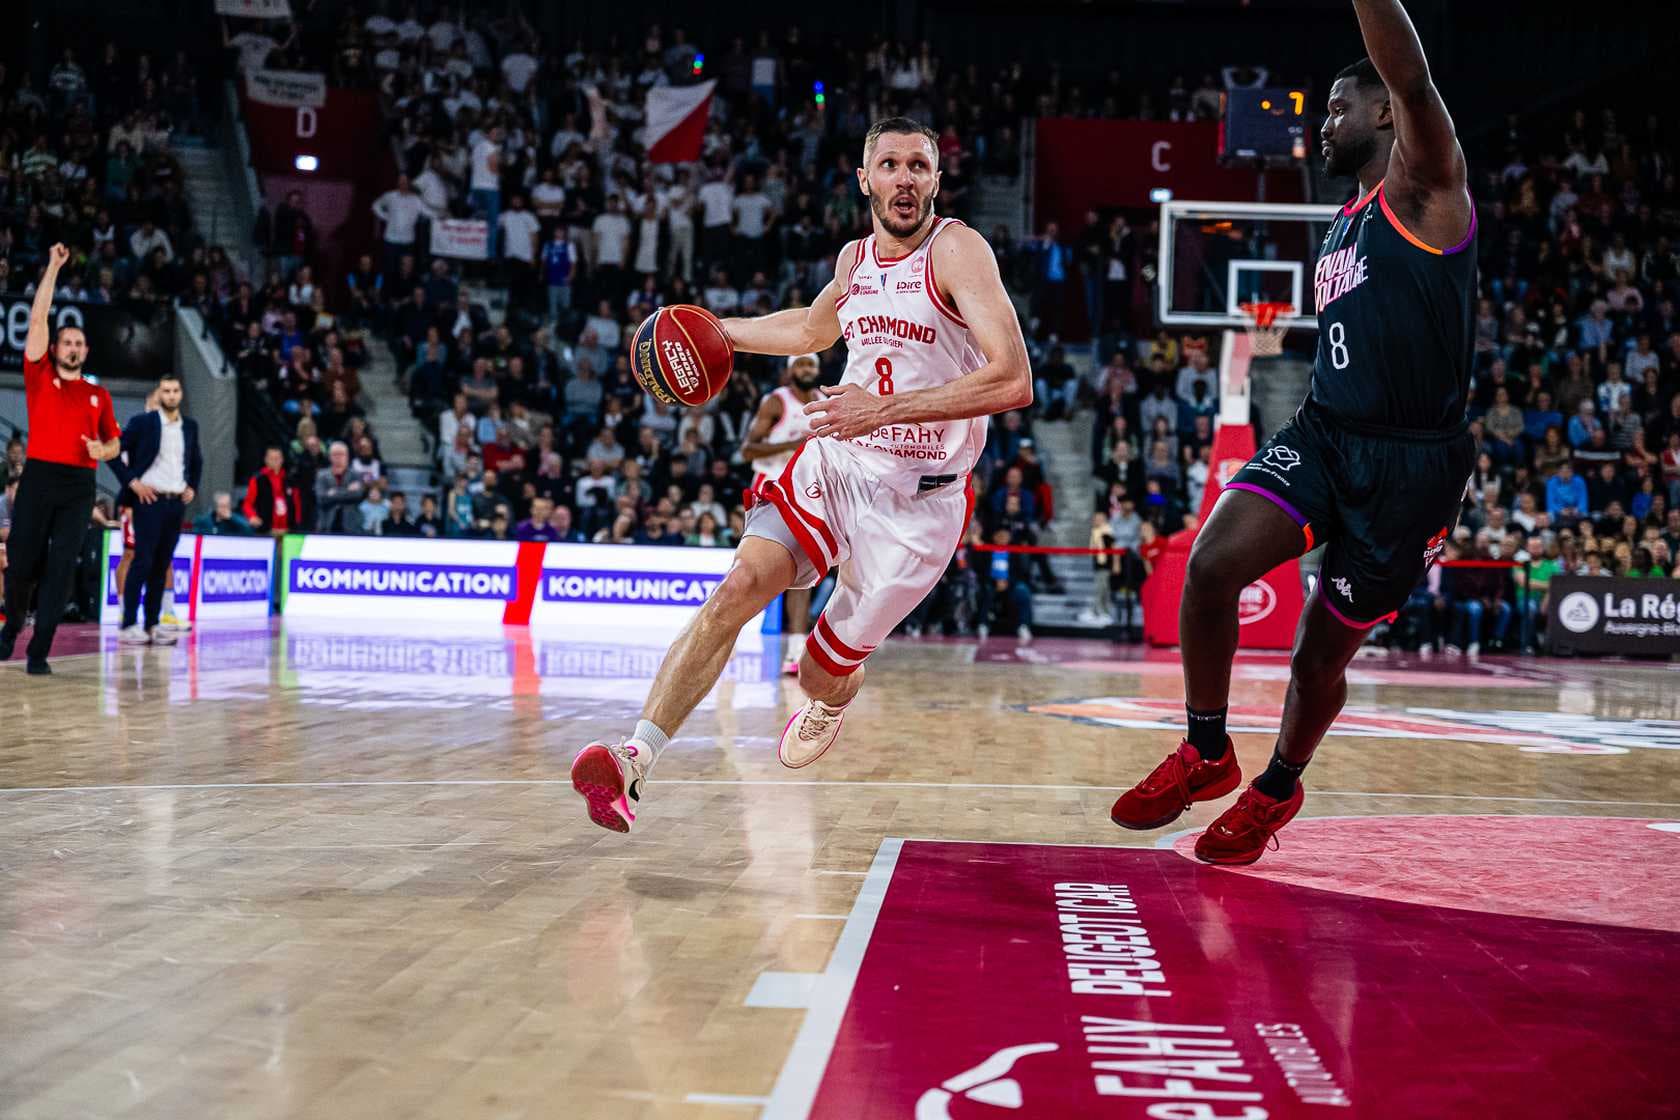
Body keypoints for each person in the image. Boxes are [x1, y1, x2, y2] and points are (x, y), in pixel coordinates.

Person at [570, 117, 1031, 833]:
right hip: (839, 464)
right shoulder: (854, 260)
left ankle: (833, 696)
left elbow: (1013, 379)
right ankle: (634, 759)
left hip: (917, 509)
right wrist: (715, 330)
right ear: (864, 179)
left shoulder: (958, 251)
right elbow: (814, 331)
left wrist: (885, 409)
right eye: (889, 165)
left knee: (818, 673)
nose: (904, 179)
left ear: (936, 181)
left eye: (918, 167)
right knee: (739, 588)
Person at [1110, 3, 1479, 865]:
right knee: (1209, 565)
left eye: (1338, 110)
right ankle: (1207, 747)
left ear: (1385, 111)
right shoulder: (1344, 222)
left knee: (1319, 657)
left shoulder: (1427, 188)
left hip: (1414, 466)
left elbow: (1415, 77)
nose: (1323, 126)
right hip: (1326, 430)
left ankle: (1278, 785)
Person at [0, 244, 122, 674]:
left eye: (78, 343)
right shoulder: (39, 376)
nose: (72, 347)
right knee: (21, 563)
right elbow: (37, 317)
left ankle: (39, 653)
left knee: (61, 567)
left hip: (78, 485)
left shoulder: (99, 395)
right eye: (66, 341)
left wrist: (102, 450)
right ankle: (12, 624)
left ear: (86, 351)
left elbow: (114, 444)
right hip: (39, 479)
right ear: (55, 348)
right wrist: (52, 265)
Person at [741, 353, 822, 674]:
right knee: (751, 572)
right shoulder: (776, 402)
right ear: (790, 370)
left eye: (811, 365)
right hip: (769, 489)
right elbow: (748, 449)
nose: (807, 370)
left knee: (803, 576)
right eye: (801, 364)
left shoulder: (821, 402)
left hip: (804, 493)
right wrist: (793, 446)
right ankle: (734, 635)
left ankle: (795, 651)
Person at [110, 373, 202, 645]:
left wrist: (192, 486)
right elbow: (113, 452)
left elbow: (197, 460)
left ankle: (152, 624)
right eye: (166, 390)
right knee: (143, 561)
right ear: (159, 394)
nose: (171, 395)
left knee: (162, 564)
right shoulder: (144, 423)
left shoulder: (190, 426)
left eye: (175, 390)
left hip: (176, 503)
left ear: (181, 394)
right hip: (149, 500)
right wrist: (132, 483)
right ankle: (128, 624)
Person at [243, 446, 304, 536]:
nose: (275, 461)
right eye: (271, 458)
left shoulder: (290, 479)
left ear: (282, 459)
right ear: (266, 460)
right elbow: (247, 503)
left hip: (288, 531)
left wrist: (297, 523)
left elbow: (297, 503)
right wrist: (252, 516)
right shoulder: (258, 479)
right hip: (266, 531)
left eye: (277, 458)